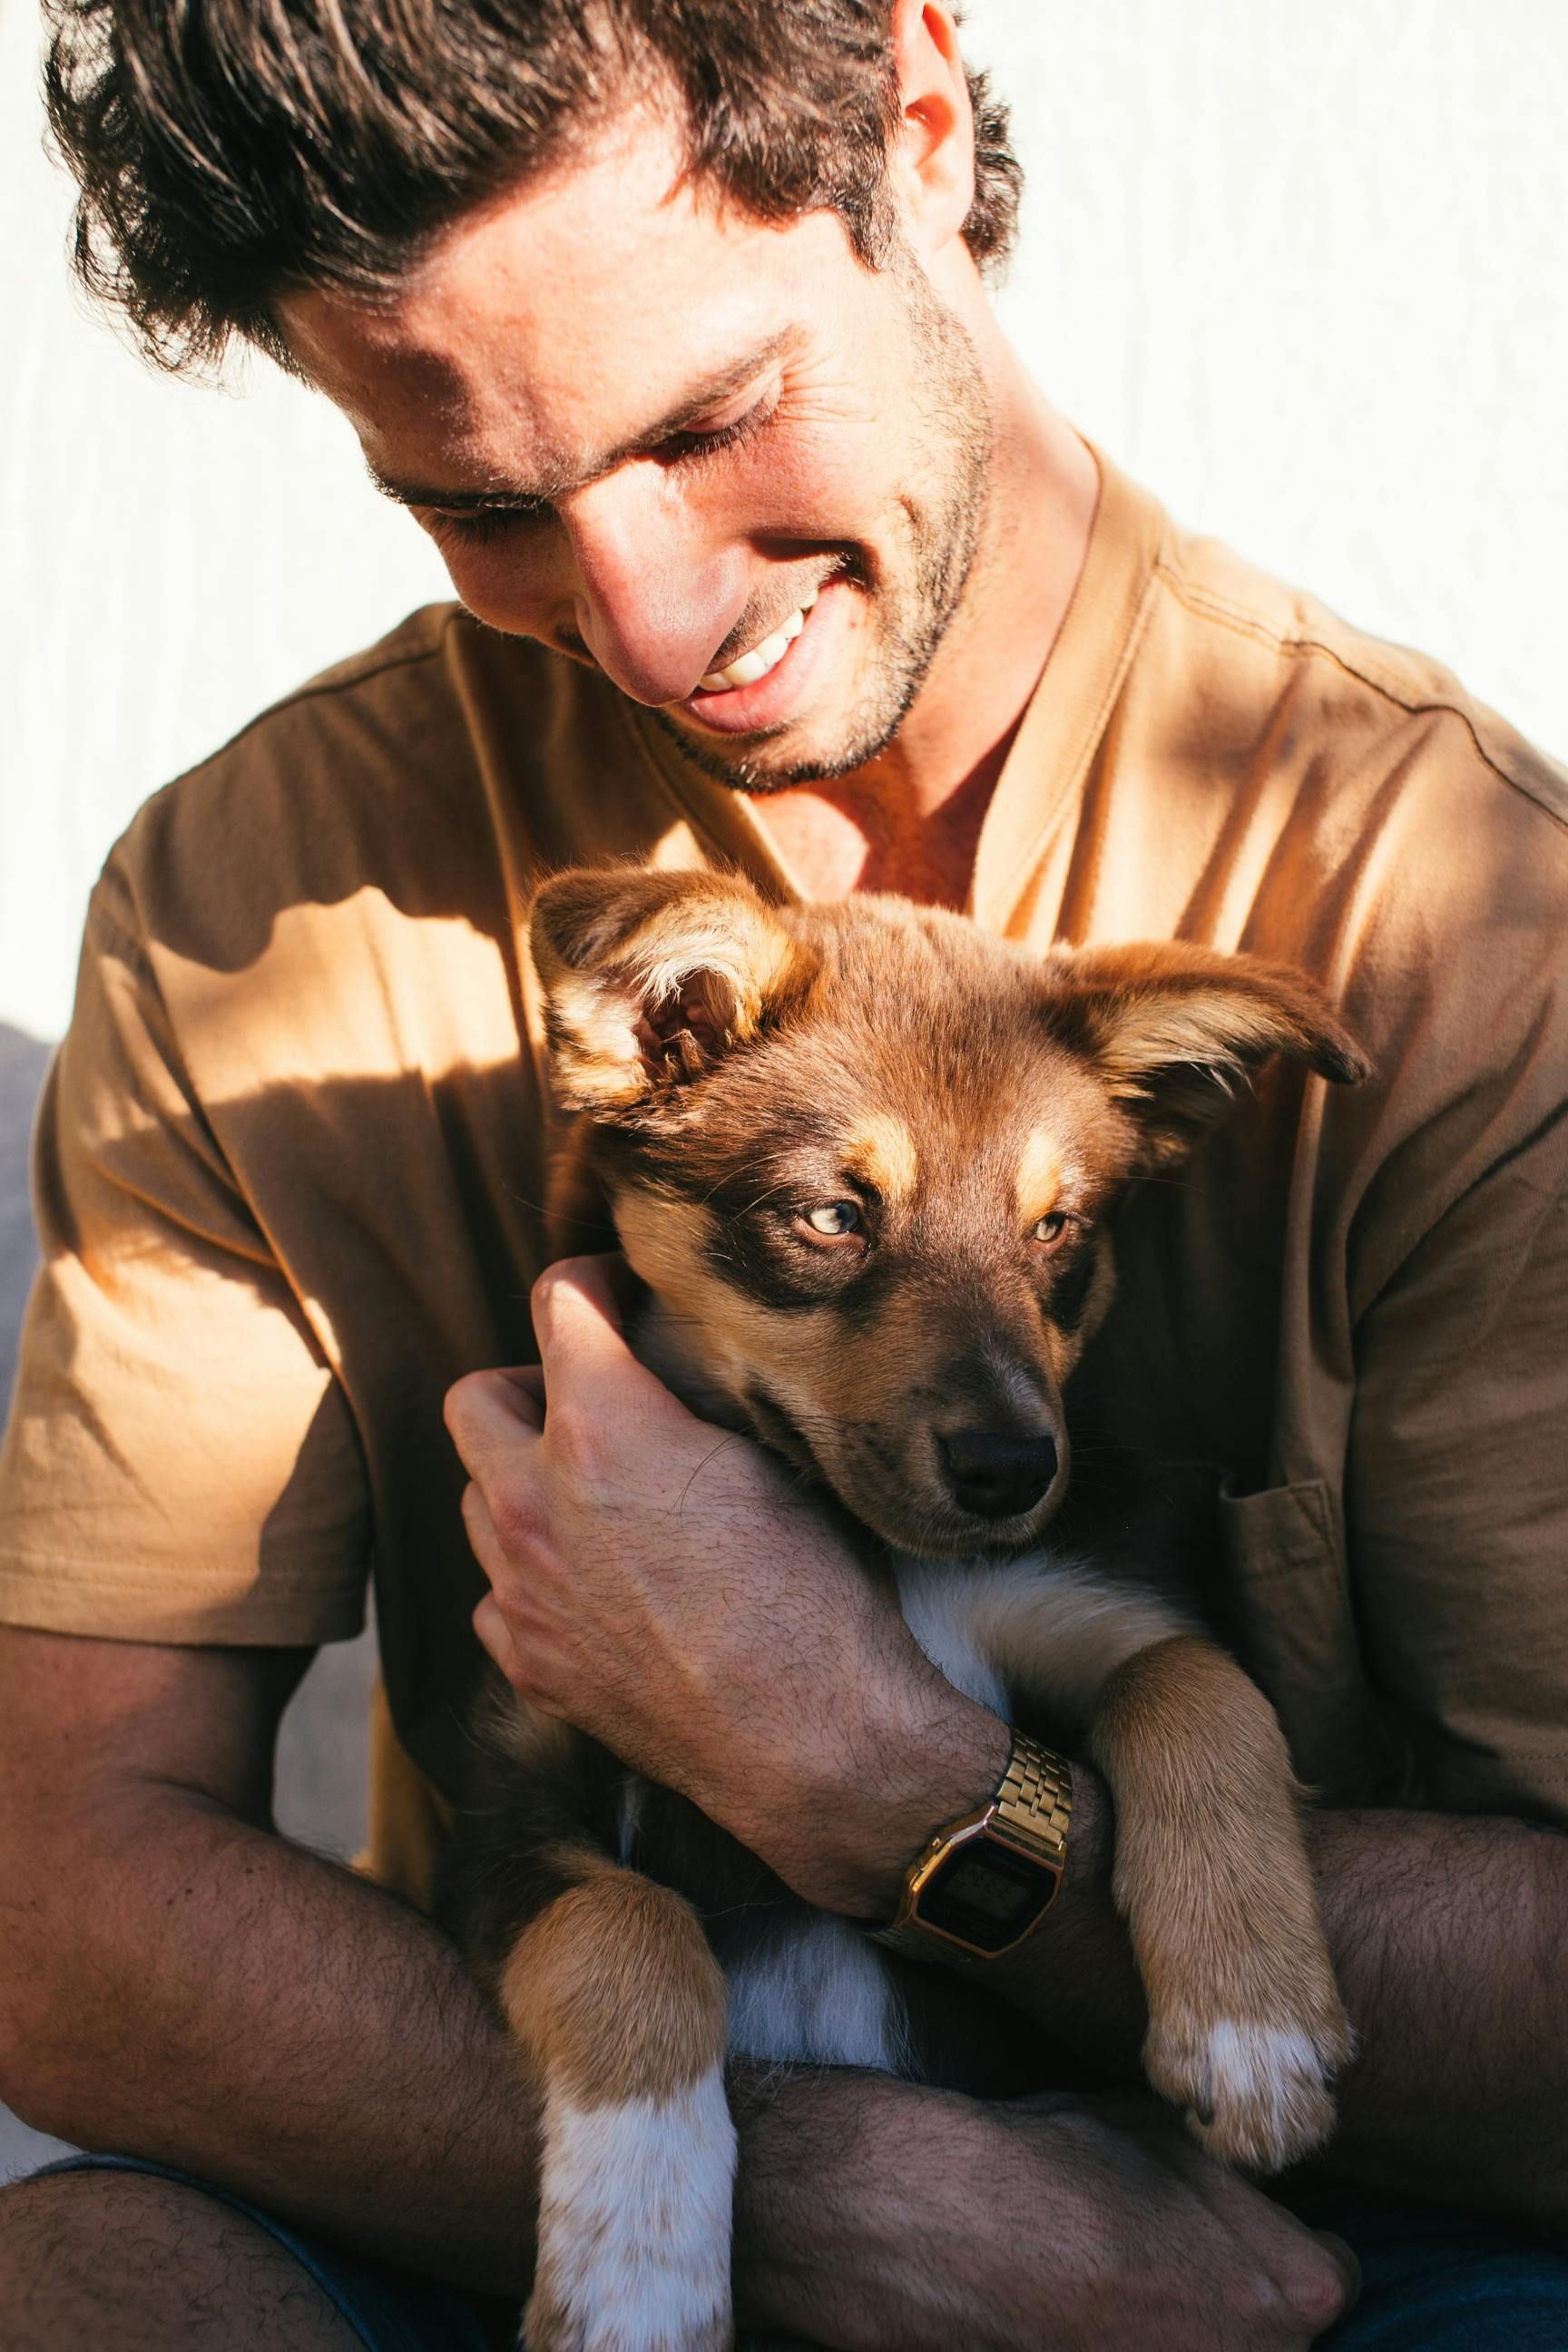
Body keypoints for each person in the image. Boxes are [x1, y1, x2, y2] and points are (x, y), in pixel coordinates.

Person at [1, 1, 1565, 2345]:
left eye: (713, 422)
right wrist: (798, 2199)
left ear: (919, 121)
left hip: (1311, 2229)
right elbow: (55, 1897)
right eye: (482, 505)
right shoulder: (262, 905)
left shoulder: (1454, 916)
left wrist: (885, 1784)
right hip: (605, 2108)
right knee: (83, 2277)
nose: (645, 616)